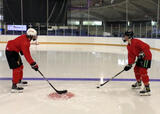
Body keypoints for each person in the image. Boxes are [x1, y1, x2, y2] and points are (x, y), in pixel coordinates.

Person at [5, 28, 39, 93]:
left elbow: (18, 42)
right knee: (16, 68)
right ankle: (14, 86)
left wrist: (21, 50)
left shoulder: (26, 38)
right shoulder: (26, 43)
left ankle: (18, 80)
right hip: (11, 51)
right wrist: (33, 64)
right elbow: (27, 56)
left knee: (21, 66)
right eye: (34, 35)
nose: (35, 37)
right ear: (31, 36)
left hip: (14, 50)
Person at [123, 30, 152, 96]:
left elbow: (147, 46)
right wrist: (129, 64)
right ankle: (139, 83)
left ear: (129, 36)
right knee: (136, 69)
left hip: (146, 56)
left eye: (125, 36)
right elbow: (131, 56)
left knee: (143, 71)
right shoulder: (128, 46)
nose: (124, 37)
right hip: (140, 57)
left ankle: (147, 89)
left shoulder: (136, 41)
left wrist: (142, 53)